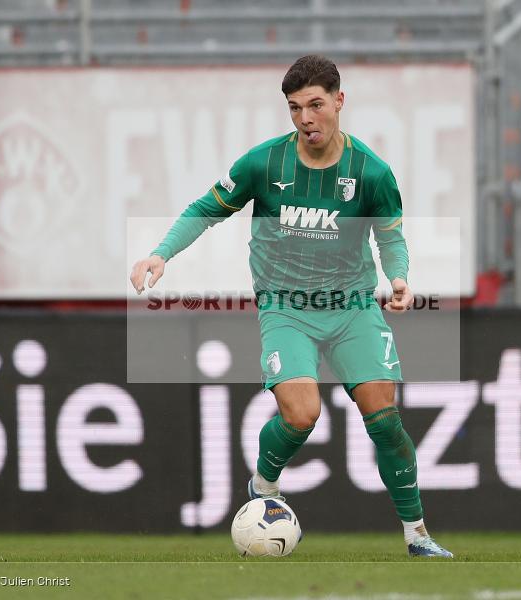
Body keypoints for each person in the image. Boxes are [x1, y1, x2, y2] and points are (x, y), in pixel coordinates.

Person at [130, 55, 452, 558]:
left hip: (351, 306)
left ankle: (418, 536)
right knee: (302, 413)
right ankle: (264, 484)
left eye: (316, 105)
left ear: (339, 102)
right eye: (295, 108)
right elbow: (205, 209)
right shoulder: (264, 164)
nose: (306, 118)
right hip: (286, 307)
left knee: (384, 417)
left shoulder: (371, 172)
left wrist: (400, 278)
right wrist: (160, 252)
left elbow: (391, 237)